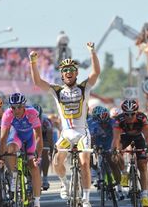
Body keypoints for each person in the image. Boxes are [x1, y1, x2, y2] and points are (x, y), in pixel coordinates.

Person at [29, 42, 100, 207]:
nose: (68, 72)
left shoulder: (84, 88)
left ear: (76, 73)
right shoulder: (57, 91)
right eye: (65, 71)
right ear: (62, 75)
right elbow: (38, 82)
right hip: (66, 134)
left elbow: (96, 72)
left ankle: (86, 198)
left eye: (72, 70)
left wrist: (92, 52)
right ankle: (64, 183)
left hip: (82, 133)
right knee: (56, 162)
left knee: (84, 163)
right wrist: (32, 62)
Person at [0, 93, 43, 207]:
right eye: (13, 107)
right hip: (17, 136)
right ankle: (14, 175)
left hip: (30, 138)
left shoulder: (32, 113)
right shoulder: (7, 114)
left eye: (19, 107)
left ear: (24, 105)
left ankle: (37, 201)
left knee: (33, 166)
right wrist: (1, 156)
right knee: (10, 148)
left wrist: (38, 154)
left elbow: (38, 136)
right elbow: (3, 138)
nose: (16, 110)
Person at [111, 99, 148, 207]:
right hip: (124, 137)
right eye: (127, 114)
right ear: (123, 113)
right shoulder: (118, 120)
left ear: (136, 112)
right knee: (116, 150)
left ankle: (144, 196)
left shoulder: (142, 118)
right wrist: (114, 151)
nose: (129, 117)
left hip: (138, 138)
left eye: (132, 114)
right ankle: (124, 173)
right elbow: (116, 138)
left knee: (143, 165)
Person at [87, 106, 124, 200]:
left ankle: (119, 187)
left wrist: (115, 149)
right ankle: (94, 171)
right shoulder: (90, 123)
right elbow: (89, 138)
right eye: (101, 123)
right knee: (88, 153)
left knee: (113, 163)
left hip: (109, 142)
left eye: (105, 123)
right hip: (97, 141)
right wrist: (92, 149)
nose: (103, 125)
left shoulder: (113, 123)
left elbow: (117, 138)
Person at [32, 103, 54, 190]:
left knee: (44, 151)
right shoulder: (26, 118)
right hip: (30, 135)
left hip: (43, 135)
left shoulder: (46, 122)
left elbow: (50, 139)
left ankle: (45, 178)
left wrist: (52, 151)